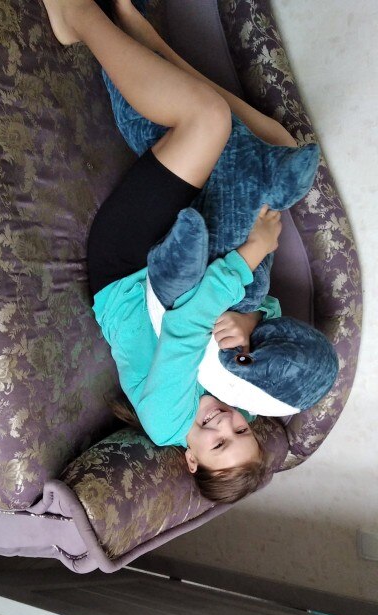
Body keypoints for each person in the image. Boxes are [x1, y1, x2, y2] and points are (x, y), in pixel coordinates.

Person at [42, 0, 296, 503]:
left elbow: (184, 329)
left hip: (128, 268)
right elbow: (265, 307)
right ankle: (151, 45)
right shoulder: (239, 397)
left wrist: (251, 253)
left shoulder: (166, 421)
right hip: (189, 255)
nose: (225, 422)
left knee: (207, 120)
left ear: (191, 459)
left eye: (218, 443)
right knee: (279, 151)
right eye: (241, 431)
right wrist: (251, 320)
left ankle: (79, 20)